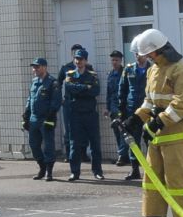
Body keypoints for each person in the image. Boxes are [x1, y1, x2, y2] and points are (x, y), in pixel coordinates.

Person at [124, 29, 183, 217]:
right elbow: (150, 101)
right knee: (152, 181)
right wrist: (137, 118)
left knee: (178, 182)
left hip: (177, 135)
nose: (148, 58)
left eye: (150, 55)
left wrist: (159, 121)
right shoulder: (153, 71)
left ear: (161, 50)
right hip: (157, 136)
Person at [61, 45, 103, 181]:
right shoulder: (70, 74)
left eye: (81, 59)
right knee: (75, 144)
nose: (78, 61)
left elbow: (96, 91)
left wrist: (81, 89)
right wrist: (86, 87)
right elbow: (70, 88)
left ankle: (97, 171)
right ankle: (74, 172)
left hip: (90, 114)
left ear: (85, 61)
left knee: (95, 143)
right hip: (75, 114)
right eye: (76, 59)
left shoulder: (92, 75)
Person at [22, 58, 61, 180]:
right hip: (34, 119)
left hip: (46, 119)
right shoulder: (34, 82)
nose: (34, 69)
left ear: (44, 67)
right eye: (33, 67)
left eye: (37, 67)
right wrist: (26, 115)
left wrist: (50, 117)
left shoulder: (52, 82)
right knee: (33, 144)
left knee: (48, 145)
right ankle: (42, 167)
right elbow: (30, 99)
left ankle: (49, 171)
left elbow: (56, 102)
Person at [106, 50, 140, 182]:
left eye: (116, 60)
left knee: (125, 133)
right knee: (117, 132)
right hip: (114, 108)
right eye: (112, 60)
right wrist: (108, 108)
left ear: (121, 61)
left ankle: (122, 155)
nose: (114, 62)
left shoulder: (125, 71)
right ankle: (123, 155)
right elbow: (109, 93)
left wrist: (124, 109)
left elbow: (125, 91)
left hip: (125, 109)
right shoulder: (111, 74)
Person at [119, 48, 150, 181]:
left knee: (150, 139)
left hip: (148, 108)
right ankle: (135, 169)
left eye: (141, 54)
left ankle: (153, 169)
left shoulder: (153, 69)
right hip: (132, 108)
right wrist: (122, 109)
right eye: (136, 54)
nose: (138, 56)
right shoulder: (129, 68)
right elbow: (122, 88)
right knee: (133, 140)